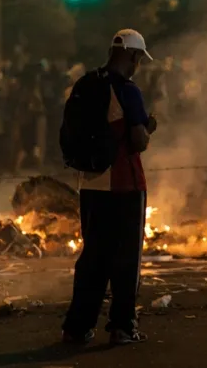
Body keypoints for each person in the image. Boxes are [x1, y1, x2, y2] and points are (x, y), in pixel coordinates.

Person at [62, 29, 157, 345]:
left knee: (93, 258)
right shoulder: (127, 90)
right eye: (138, 59)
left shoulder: (86, 84)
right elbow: (138, 140)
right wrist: (148, 128)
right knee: (126, 259)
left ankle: (77, 327)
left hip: (91, 183)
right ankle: (122, 326)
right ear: (131, 55)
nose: (138, 65)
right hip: (125, 184)